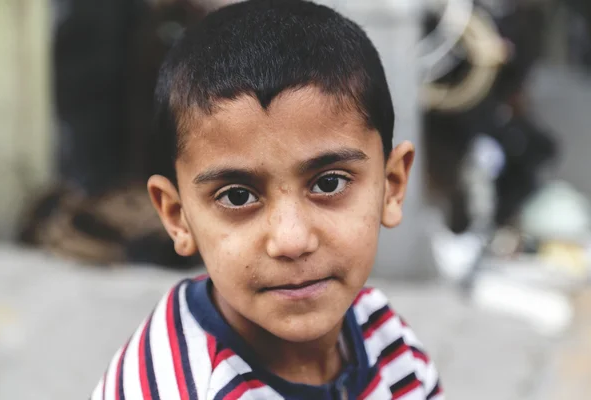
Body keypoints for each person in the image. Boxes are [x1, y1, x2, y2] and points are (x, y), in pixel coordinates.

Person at [91, 1, 444, 399]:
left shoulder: (381, 333)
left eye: (329, 184)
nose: (291, 240)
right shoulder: (177, 388)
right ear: (178, 217)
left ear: (392, 185)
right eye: (238, 196)